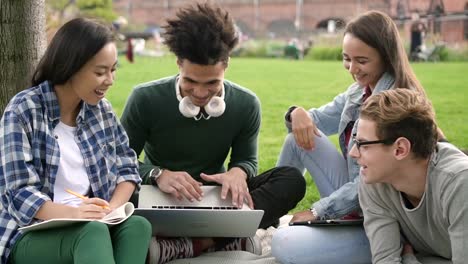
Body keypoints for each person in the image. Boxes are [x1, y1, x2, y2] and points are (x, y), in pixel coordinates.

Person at [120, 3, 305, 264]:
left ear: (226, 66)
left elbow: (247, 160)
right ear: (178, 65)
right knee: (116, 192)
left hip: (216, 200)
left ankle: (196, 244)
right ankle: (232, 237)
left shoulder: (246, 103)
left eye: (212, 84)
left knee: (291, 179)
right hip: (160, 197)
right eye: (190, 82)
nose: (200, 93)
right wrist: (157, 174)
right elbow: (119, 161)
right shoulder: (145, 98)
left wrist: (238, 173)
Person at [271, 10, 443, 264]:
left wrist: (319, 210)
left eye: (361, 61)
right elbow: (314, 122)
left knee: (286, 247)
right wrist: (295, 114)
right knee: (296, 139)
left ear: (385, 56)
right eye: (346, 59)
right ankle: (270, 214)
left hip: (385, 218)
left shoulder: (399, 105)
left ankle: (400, 251)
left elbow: (371, 184)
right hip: (356, 193)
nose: (352, 69)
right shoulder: (358, 92)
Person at [0, 18, 151, 263]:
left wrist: (111, 209)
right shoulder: (23, 109)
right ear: (71, 66)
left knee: (137, 227)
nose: (110, 80)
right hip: (29, 233)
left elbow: (127, 167)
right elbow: (18, 193)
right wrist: (76, 214)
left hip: (93, 224)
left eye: (113, 70)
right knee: (91, 232)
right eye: (100, 72)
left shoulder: (101, 111)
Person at [354, 88, 467, 264]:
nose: (354, 153)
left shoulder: (459, 182)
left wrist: (408, 259)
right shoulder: (375, 179)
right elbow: (385, 260)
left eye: (363, 144)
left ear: (400, 149)